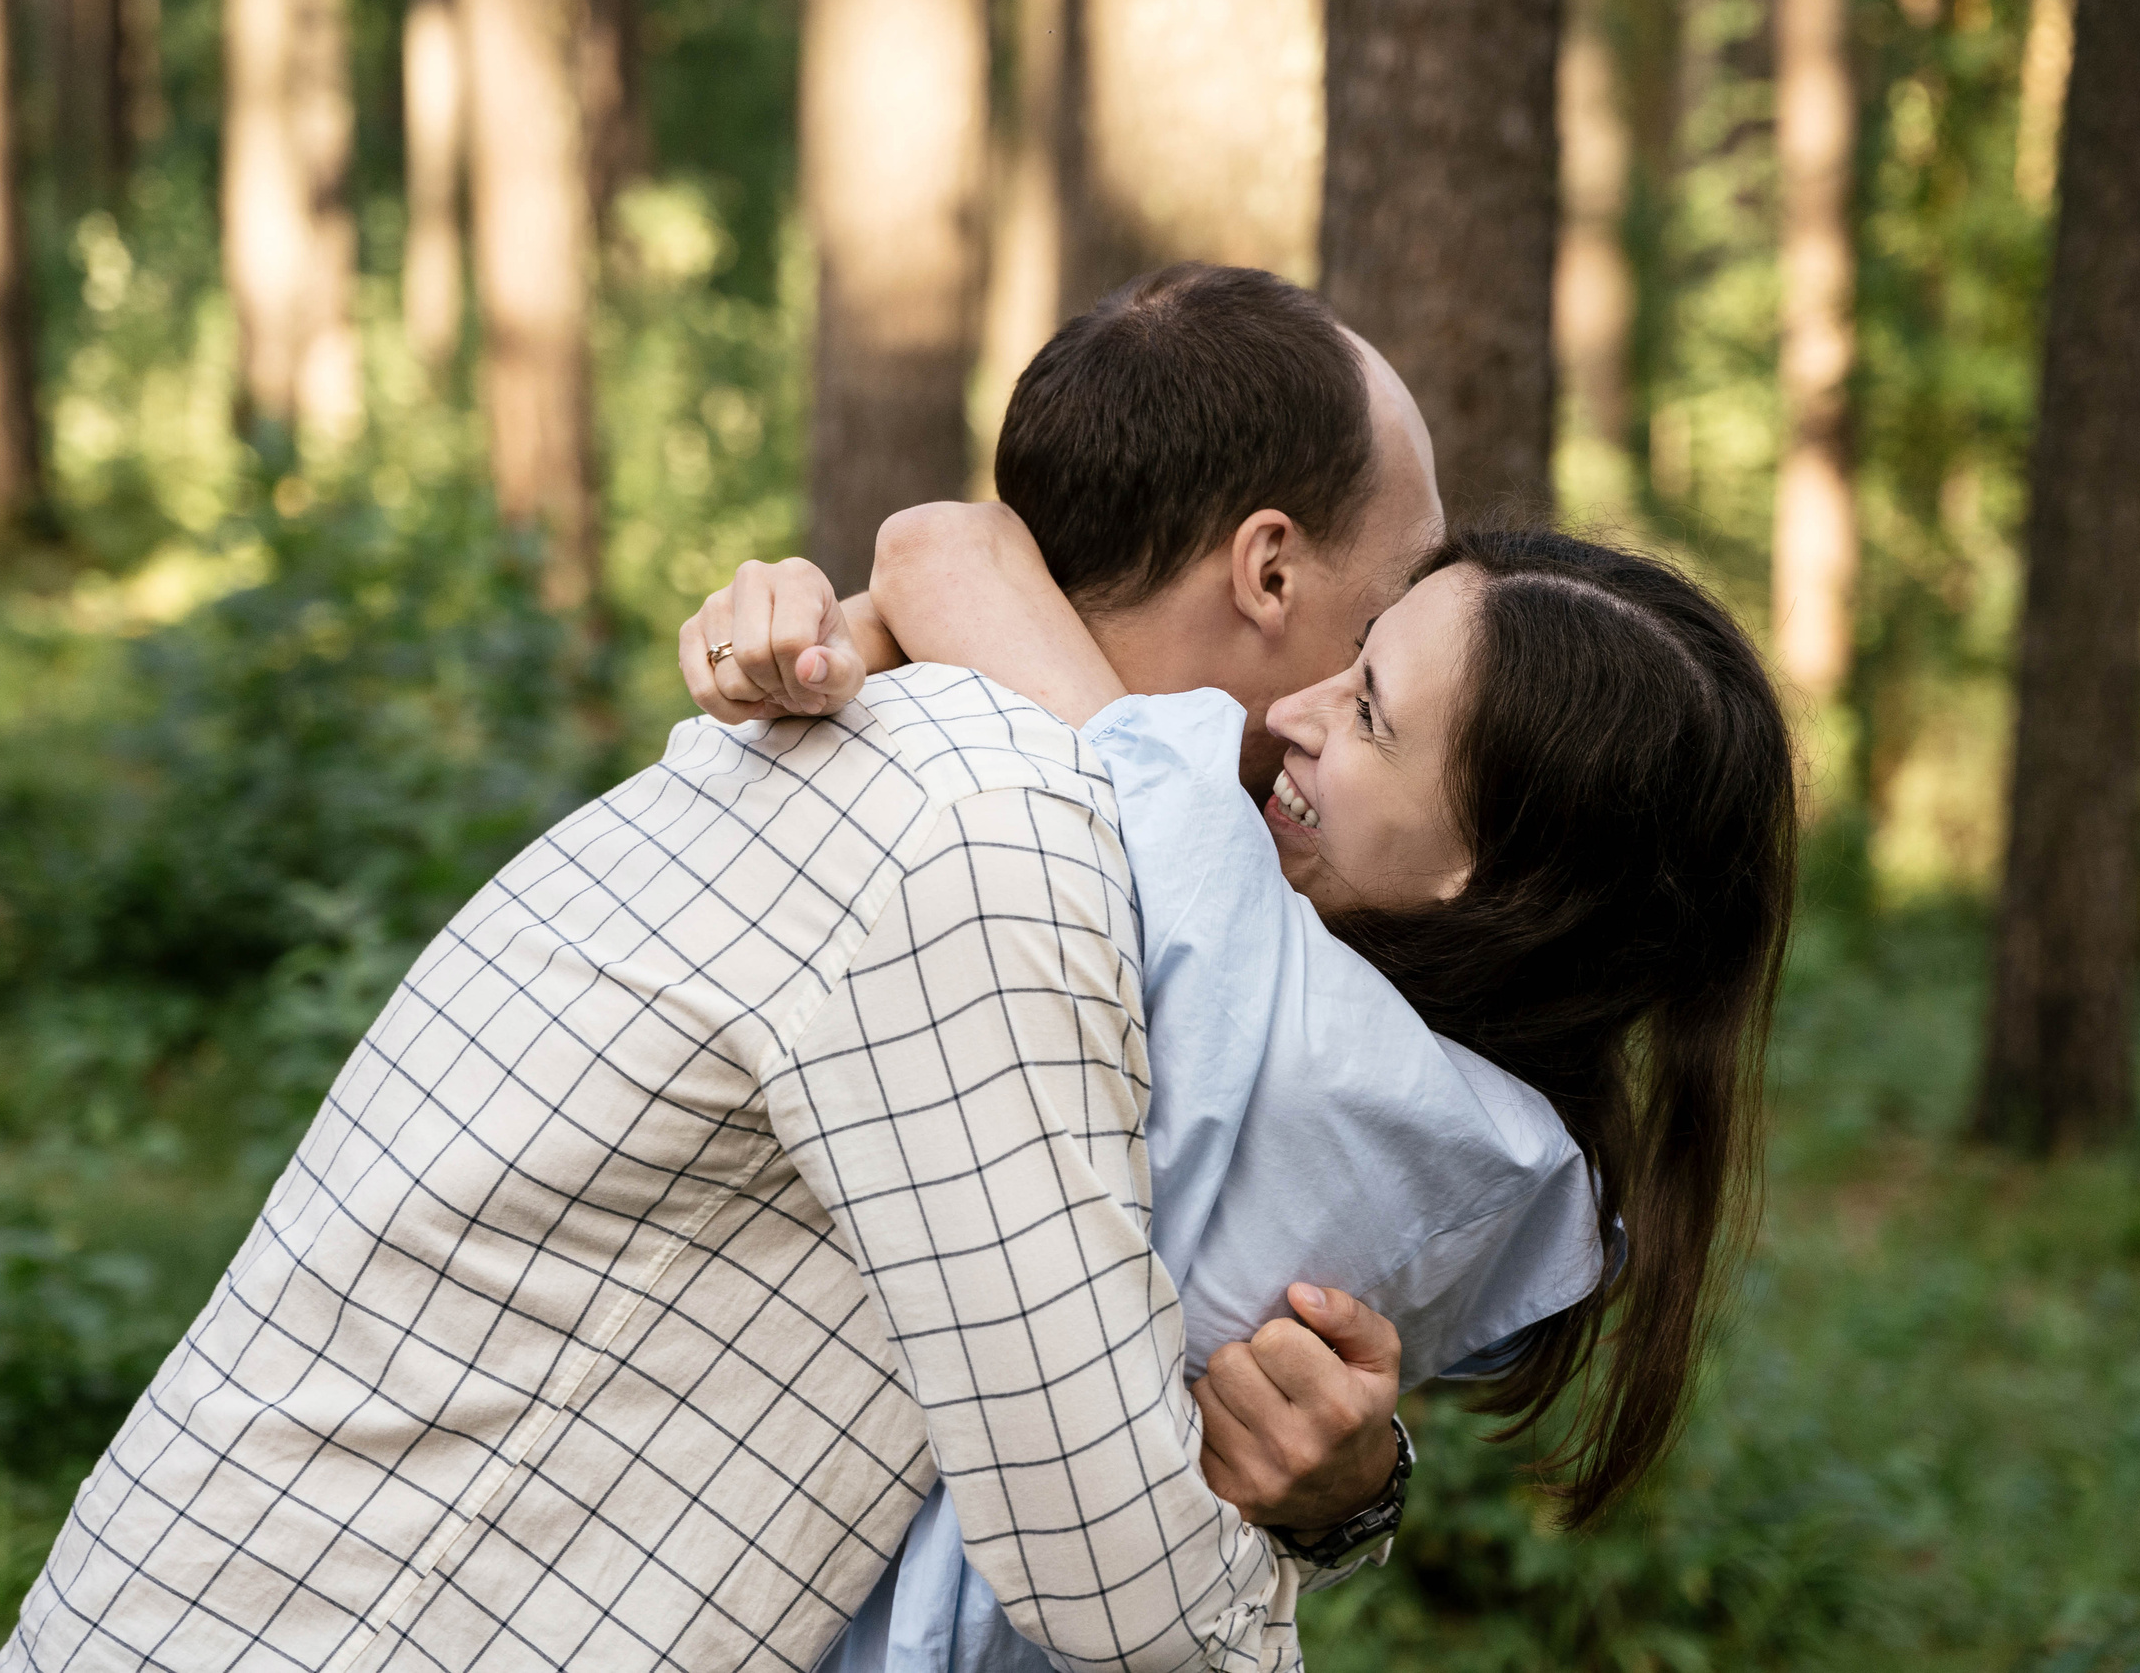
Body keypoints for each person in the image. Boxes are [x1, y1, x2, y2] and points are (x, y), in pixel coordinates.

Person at [0, 263, 1441, 1673]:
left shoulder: (951, 766)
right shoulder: (991, 832)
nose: (1366, 690)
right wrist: (1293, 1560)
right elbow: (1120, 1587)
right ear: (1266, 568)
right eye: (1383, 622)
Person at [686, 504, 1797, 1671]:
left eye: (1368, 713)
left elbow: (935, 549)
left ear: (1498, 873)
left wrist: (843, 630)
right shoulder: (1520, 1157)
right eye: (1355, 655)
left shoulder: (1235, 940)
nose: (1288, 713)